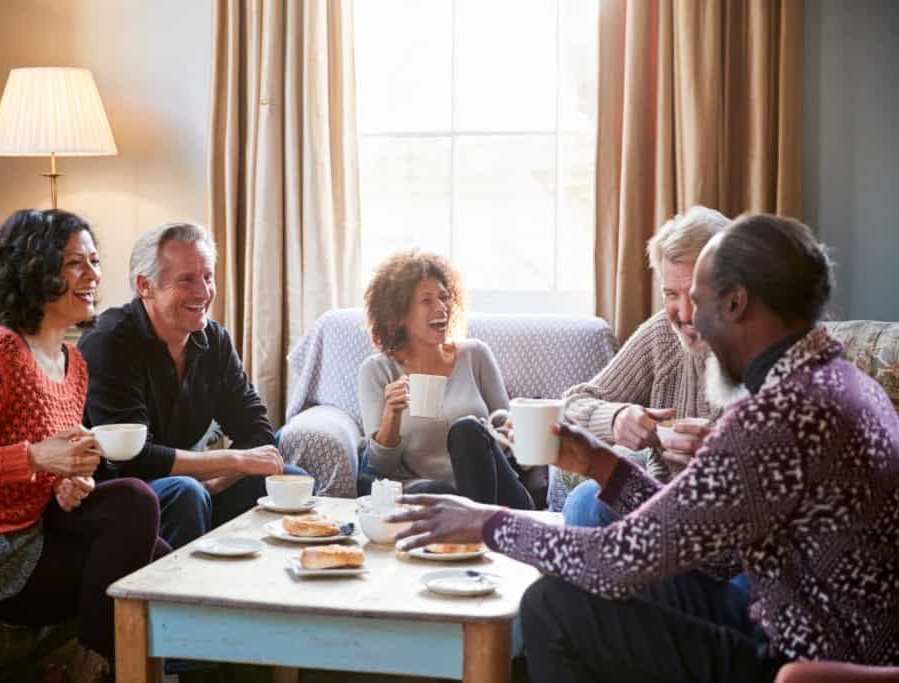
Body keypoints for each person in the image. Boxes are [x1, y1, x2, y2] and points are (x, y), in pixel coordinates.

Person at [390, 214, 899, 681]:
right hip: (796, 625)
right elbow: (717, 558)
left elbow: (618, 559)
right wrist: (600, 464)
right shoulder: (842, 383)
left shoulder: (775, 421)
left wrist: (485, 522)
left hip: (803, 664)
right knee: (584, 584)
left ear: (736, 303)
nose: (685, 319)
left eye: (696, 301)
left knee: (553, 606)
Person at [0, 209, 168, 683]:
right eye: (75, 263)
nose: (93, 275)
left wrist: (67, 485)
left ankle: (99, 664)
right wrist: (36, 456)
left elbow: (43, 480)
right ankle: (94, 663)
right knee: (135, 505)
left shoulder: (73, 363)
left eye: (95, 261)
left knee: (158, 557)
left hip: (24, 529)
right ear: (37, 270)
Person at [79, 221, 304, 550]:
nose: (203, 292)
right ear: (145, 285)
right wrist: (233, 462)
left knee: (290, 479)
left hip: (192, 489)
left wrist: (219, 479)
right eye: (186, 279)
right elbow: (134, 457)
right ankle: (179, 598)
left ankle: (261, 595)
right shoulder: (109, 341)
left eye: (208, 277)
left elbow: (256, 428)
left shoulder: (213, 339)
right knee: (186, 491)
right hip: (122, 492)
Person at [556, 205, 733, 524]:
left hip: (736, 527)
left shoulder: (769, 347)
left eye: (696, 295)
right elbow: (573, 404)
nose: (684, 314)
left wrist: (726, 453)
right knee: (585, 501)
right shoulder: (662, 337)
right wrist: (617, 418)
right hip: (662, 515)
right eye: (671, 294)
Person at [358, 250, 538, 509]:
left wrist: (514, 432)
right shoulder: (376, 372)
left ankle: (473, 527)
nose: (441, 308)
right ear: (399, 314)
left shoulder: (476, 355)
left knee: (467, 429)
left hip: (498, 497)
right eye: (427, 300)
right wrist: (392, 415)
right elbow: (381, 467)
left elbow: (509, 437)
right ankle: (470, 532)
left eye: (444, 298)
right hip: (428, 495)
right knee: (438, 493)